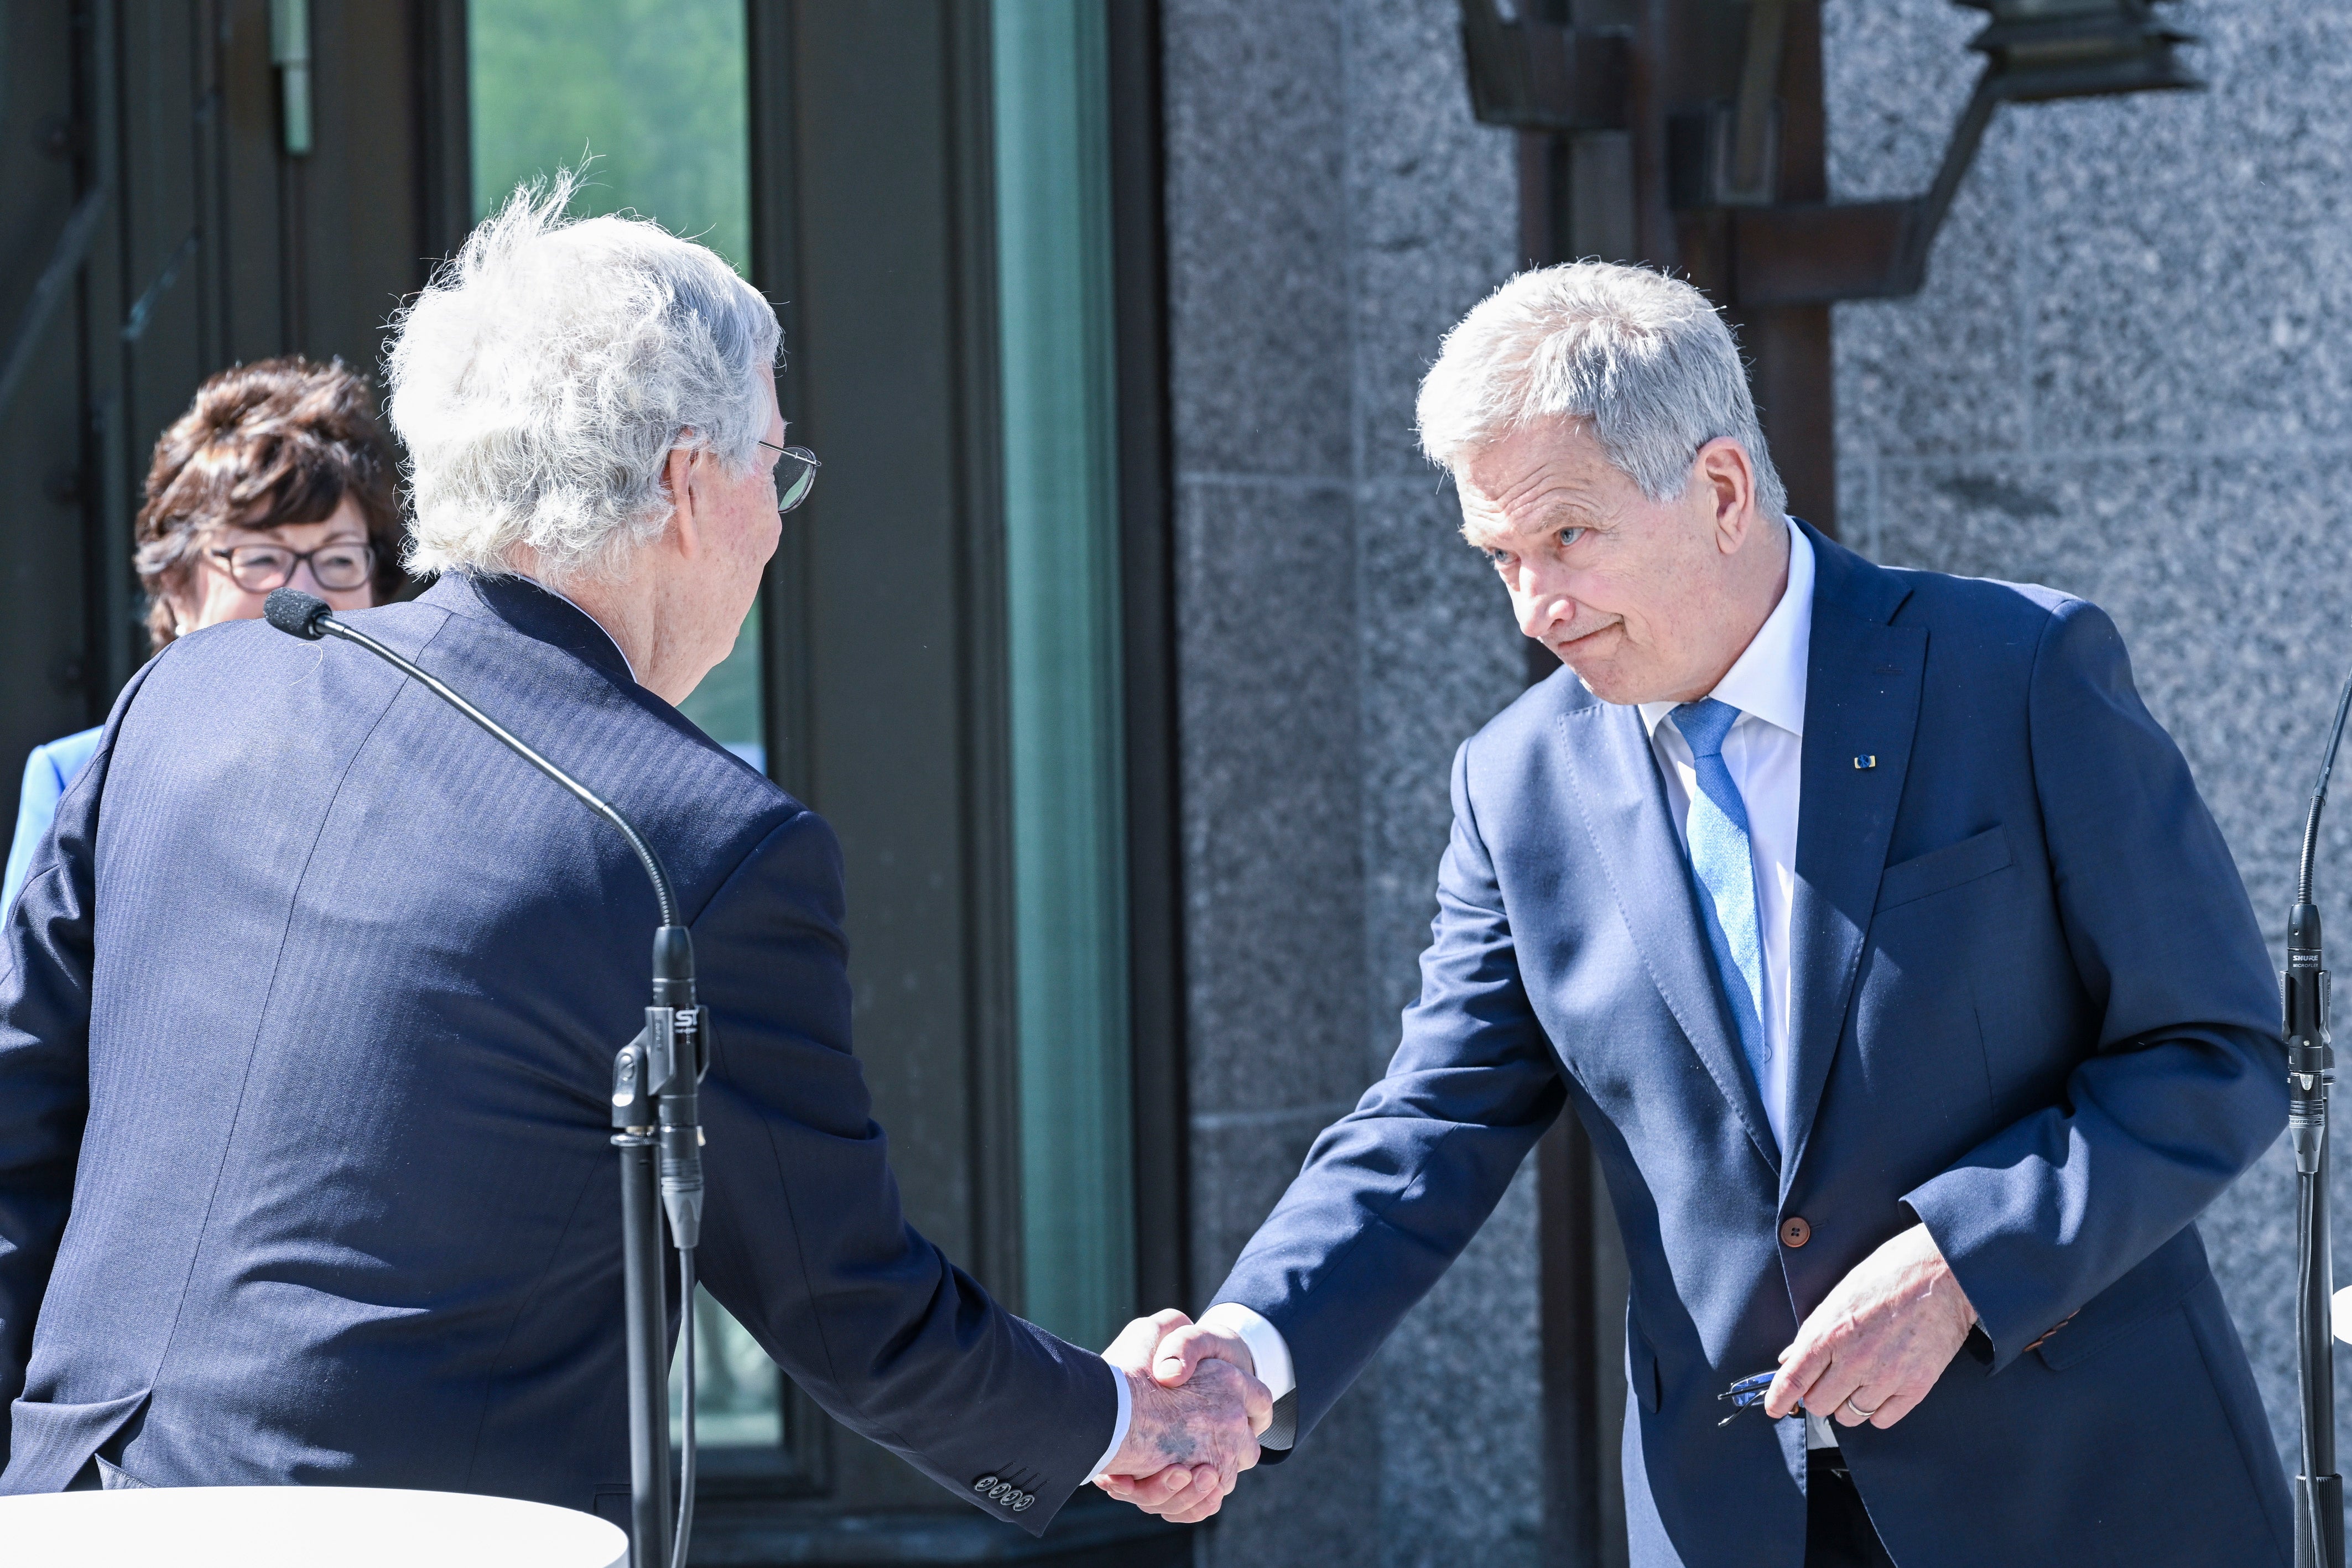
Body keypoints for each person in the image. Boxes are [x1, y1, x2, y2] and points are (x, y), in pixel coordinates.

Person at [0, 178, 1265, 1534]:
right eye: (774, 467)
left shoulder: (185, 703)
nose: (779, 521)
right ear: (685, 484)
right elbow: (845, 1306)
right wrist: (1127, 1418)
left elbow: (18, 1127)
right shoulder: (697, 844)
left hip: (66, 1512)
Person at [1107, 262, 2293, 1563]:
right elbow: (1431, 1123)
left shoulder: (2013, 673)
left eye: (1568, 538)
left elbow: (2213, 1052)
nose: (1534, 609)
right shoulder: (1517, 784)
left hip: (2088, 1497)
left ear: (1720, 490)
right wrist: (1241, 1351)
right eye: (1498, 556)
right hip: (1735, 1517)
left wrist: (1961, 1263)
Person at [1, 357, 403, 913]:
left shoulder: (413, 772)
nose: (306, 590)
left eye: (338, 560)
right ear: (176, 585)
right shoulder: (79, 780)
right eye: (262, 557)